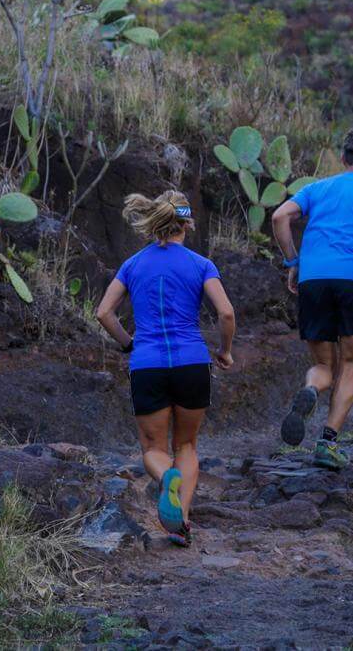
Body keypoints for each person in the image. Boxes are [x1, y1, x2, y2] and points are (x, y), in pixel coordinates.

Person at [96, 190, 236, 546]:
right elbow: (226, 313)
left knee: (153, 449)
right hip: (192, 361)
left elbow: (103, 313)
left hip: (147, 364)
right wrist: (224, 350)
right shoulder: (201, 264)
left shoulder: (132, 265)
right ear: (187, 223)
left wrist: (129, 344)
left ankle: (166, 476)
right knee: (187, 444)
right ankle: (181, 523)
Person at [270, 127, 353, 471]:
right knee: (351, 364)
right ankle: (327, 442)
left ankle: (312, 390)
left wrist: (293, 262)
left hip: (314, 280)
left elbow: (279, 216)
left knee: (323, 365)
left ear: (343, 159)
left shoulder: (316, 188)